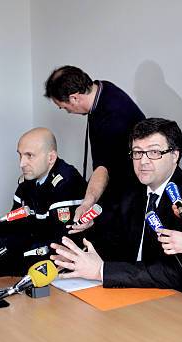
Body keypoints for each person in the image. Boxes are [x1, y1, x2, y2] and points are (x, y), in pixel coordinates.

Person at [50, 118, 182, 297]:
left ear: (175, 155)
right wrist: (80, 257)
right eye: (137, 152)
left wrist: (102, 271)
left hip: (180, 300)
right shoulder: (129, 187)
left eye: (154, 152)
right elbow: (110, 238)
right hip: (127, 292)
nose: (143, 162)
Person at [0, 128, 87, 276]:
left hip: (58, 262)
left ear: (51, 158)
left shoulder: (67, 183)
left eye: (29, 156)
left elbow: (56, 242)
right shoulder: (28, 180)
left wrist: (3, 246)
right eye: (20, 155)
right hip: (31, 251)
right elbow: (13, 222)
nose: (21, 164)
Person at [44, 65, 145, 232]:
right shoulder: (102, 88)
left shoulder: (114, 117)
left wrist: (87, 203)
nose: (66, 111)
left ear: (75, 98)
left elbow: (103, 168)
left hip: (131, 192)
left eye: (63, 106)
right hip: (121, 183)